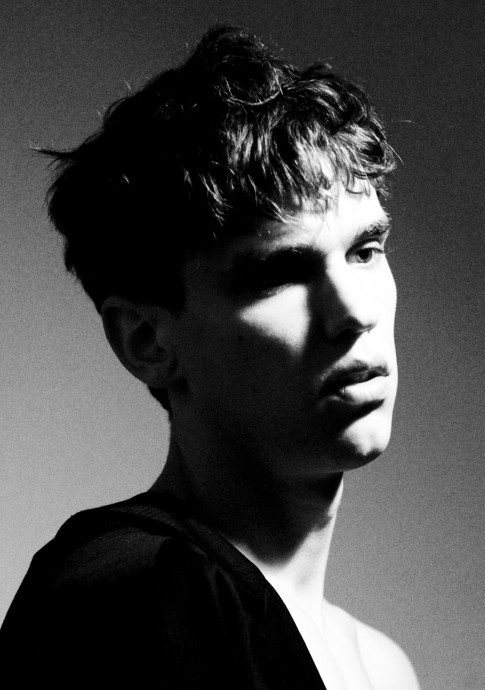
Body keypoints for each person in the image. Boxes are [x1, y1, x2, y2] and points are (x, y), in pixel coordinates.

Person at [1, 25, 420, 689]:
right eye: (280, 274)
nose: (353, 312)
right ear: (147, 342)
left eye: (365, 251)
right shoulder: (133, 598)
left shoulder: (384, 667)